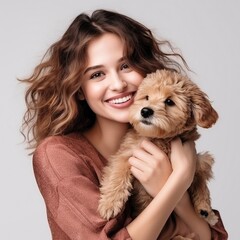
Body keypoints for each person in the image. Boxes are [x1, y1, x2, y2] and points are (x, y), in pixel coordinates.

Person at [21, 9, 228, 240]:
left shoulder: (168, 143)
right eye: (97, 75)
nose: (118, 84)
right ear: (79, 90)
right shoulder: (57, 155)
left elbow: (211, 236)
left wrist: (181, 199)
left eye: (126, 66)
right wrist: (178, 181)